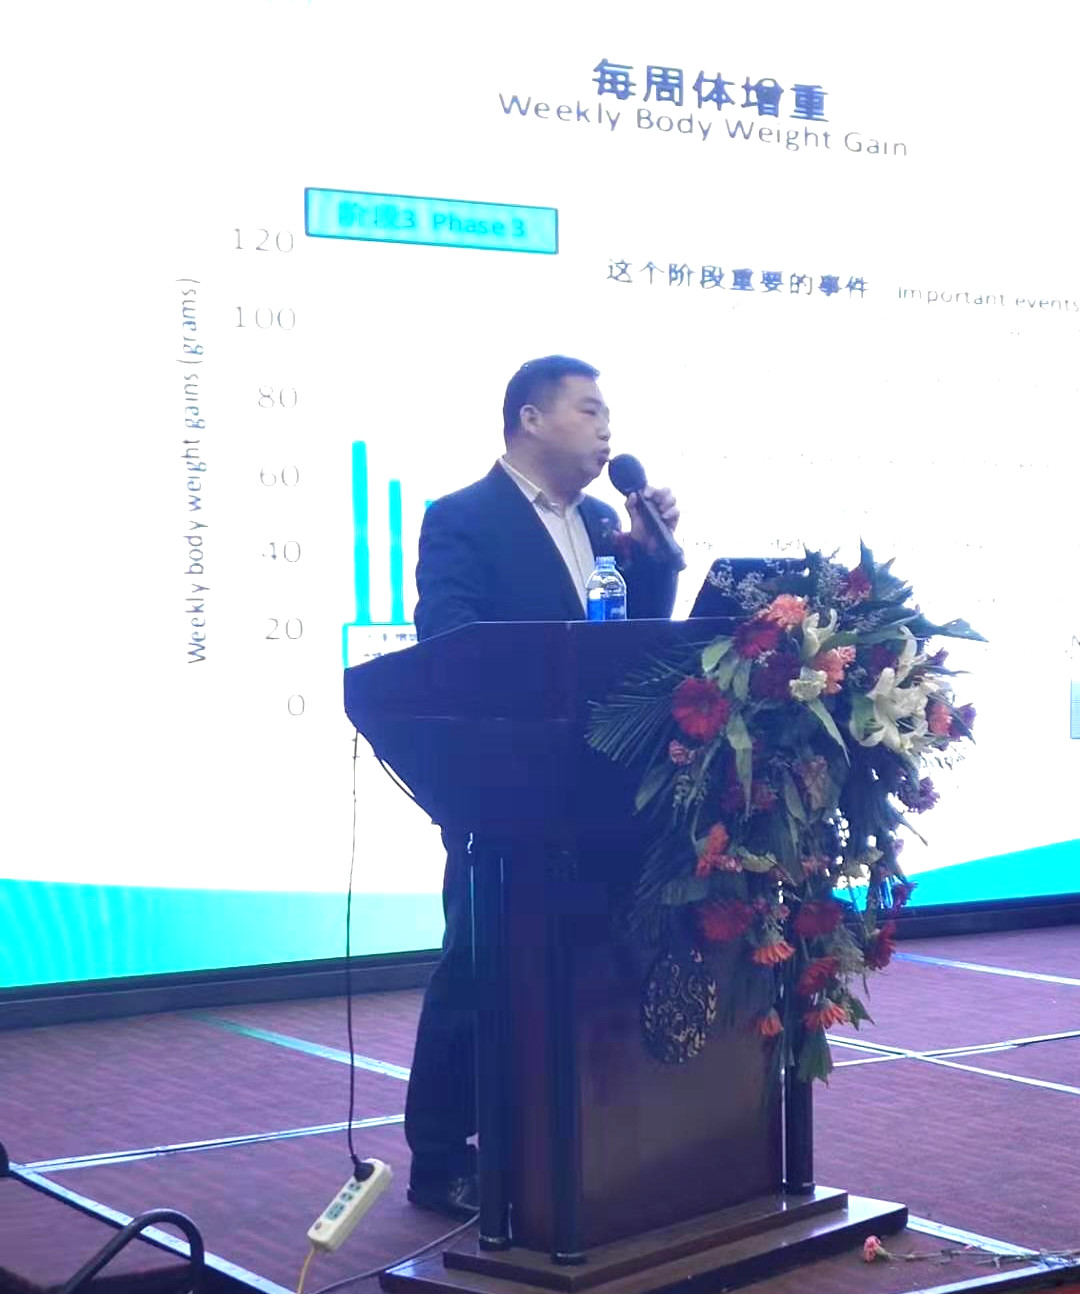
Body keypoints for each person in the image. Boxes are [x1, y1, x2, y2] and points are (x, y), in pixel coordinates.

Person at [405, 355, 682, 1218]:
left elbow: (635, 640)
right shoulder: (463, 517)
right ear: (530, 418)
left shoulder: (601, 521)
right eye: (589, 410)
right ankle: (439, 1156)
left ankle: (569, 1133)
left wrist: (654, 560)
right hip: (505, 787)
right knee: (478, 965)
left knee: (585, 963)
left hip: (597, 786)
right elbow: (449, 639)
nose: (607, 429)